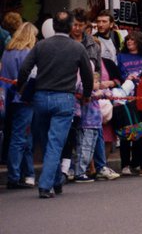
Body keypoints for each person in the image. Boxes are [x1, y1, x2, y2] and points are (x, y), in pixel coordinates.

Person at [17, 10, 94, 198]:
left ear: (53, 26)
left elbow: (25, 69)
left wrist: (21, 88)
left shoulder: (41, 45)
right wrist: (87, 94)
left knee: (45, 141)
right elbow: (87, 75)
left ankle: (55, 179)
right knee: (55, 143)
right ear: (70, 27)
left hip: (41, 97)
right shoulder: (78, 48)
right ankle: (46, 184)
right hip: (65, 99)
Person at [1, 22, 38, 188]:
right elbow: (32, 76)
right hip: (24, 98)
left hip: (8, 98)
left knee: (16, 135)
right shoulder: (28, 53)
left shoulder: (7, 52)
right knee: (20, 137)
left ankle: (22, 173)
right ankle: (15, 176)